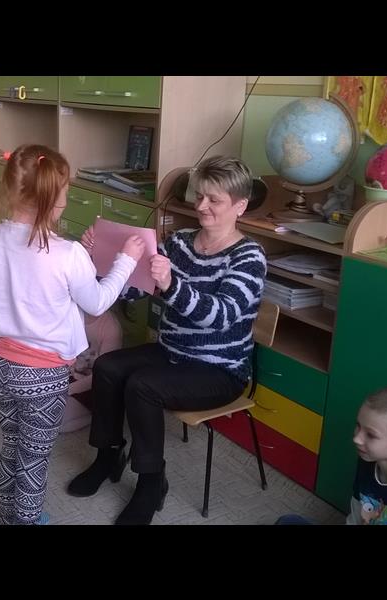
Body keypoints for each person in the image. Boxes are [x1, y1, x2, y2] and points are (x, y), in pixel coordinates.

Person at [67, 155, 267, 525]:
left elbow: (221, 316)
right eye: (200, 196)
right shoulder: (180, 242)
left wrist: (172, 285)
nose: (202, 206)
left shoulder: (249, 256)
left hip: (219, 371)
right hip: (172, 352)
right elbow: (134, 291)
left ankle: (151, 482)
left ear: (240, 206)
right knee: (108, 367)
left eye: (214, 200)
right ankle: (108, 456)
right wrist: (97, 260)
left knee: (143, 386)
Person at [0, 144, 145, 525]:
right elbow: (97, 302)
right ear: (51, 197)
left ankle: (9, 518)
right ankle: (26, 521)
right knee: (33, 459)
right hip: (43, 377)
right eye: (65, 193)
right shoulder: (66, 253)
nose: (66, 200)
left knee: (12, 446)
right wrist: (126, 260)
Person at [277, 386, 387, 525]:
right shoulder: (368, 460)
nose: (357, 438)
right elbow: (356, 513)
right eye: (358, 426)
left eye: (371, 435)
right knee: (288, 522)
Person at [61, 309, 122, 433]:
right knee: (38, 414)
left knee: (54, 421)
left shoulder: (110, 327)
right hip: (69, 375)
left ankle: (100, 415)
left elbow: (103, 375)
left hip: (94, 385)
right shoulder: (69, 312)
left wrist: (67, 390)